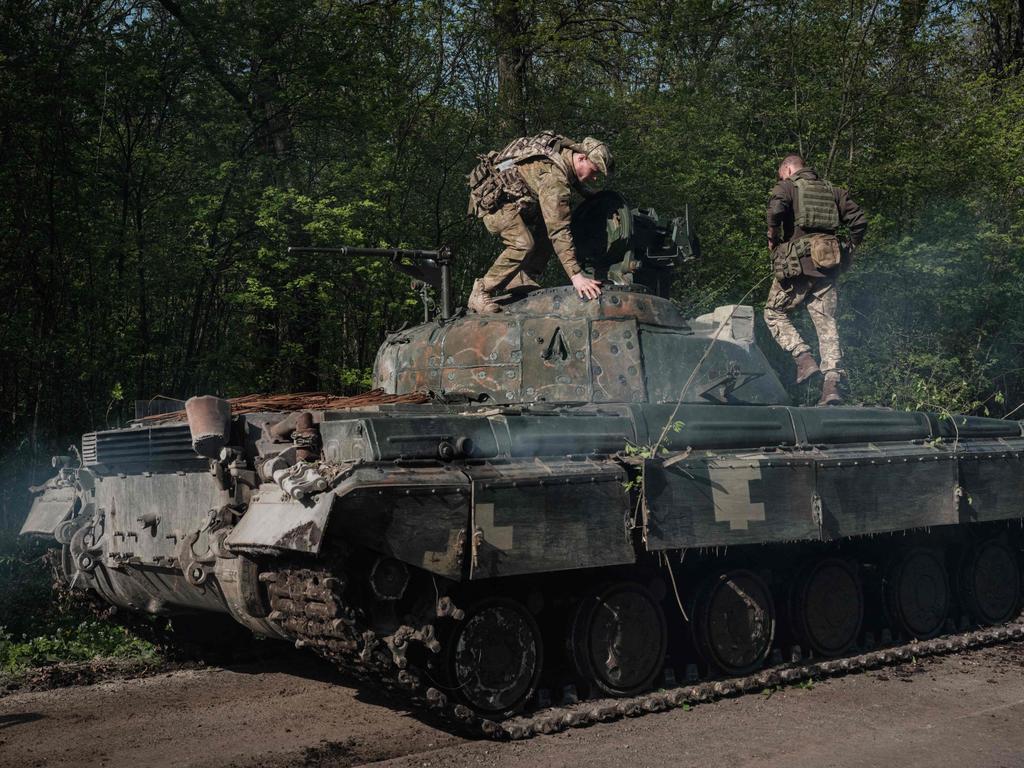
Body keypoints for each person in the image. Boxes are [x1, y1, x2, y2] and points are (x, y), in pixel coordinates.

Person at [466, 132, 612, 313]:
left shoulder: (564, 153)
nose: (595, 178)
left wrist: (592, 197)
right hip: (494, 204)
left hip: (513, 198)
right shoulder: (554, 180)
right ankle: (480, 290)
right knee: (523, 244)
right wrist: (576, 276)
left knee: (549, 223)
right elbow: (559, 231)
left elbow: (571, 179)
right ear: (582, 158)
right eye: (595, 170)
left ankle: (522, 276)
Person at [764, 154, 867, 405]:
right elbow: (860, 221)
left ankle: (803, 359)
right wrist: (849, 249)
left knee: (773, 311)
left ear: (788, 169)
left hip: (797, 267)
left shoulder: (788, 186)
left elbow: (775, 209)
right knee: (827, 326)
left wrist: (772, 235)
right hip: (828, 268)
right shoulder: (835, 191)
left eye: (781, 174)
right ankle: (831, 387)